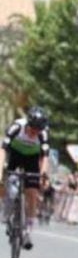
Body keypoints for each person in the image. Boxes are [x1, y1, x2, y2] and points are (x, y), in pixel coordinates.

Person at [2, 106, 50, 249]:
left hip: (32, 159)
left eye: (38, 130)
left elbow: (45, 157)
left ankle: (28, 230)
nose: (34, 133)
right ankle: (8, 210)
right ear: (28, 125)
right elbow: (2, 150)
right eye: (32, 129)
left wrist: (43, 175)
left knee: (32, 193)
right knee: (8, 188)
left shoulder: (43, 134)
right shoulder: (16, 127)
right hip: (14, 155)